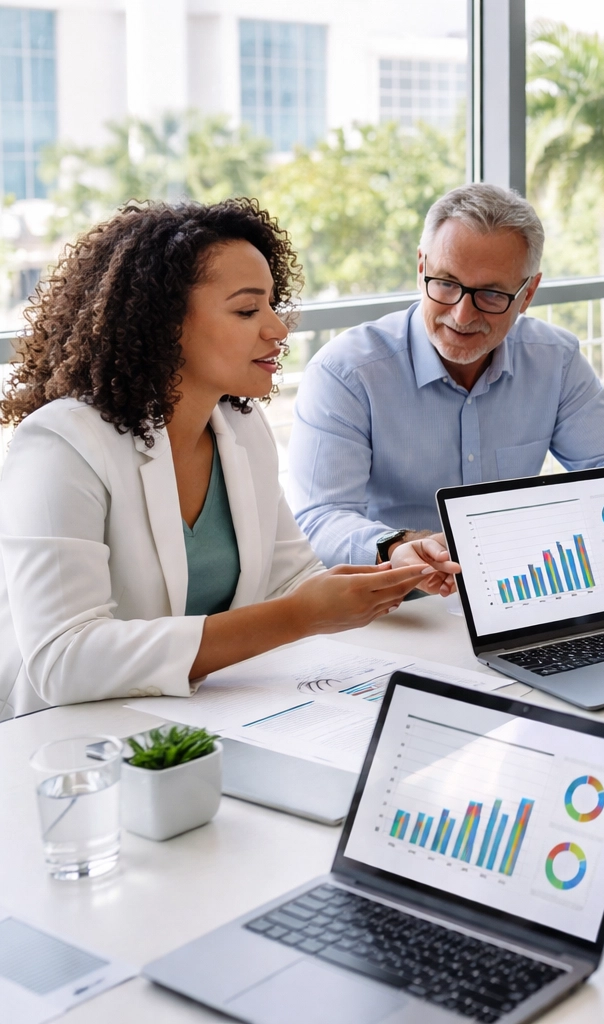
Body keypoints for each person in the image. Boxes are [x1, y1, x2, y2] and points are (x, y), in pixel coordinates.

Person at [0, 200, 437, 721]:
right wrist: (297, 617)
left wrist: (388, 570)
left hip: (205, 717)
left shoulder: (241, 428)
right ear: (163, 323)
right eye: (248, 311)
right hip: (65, 735)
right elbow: (63, 660)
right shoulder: (61, 445)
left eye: (272, 305)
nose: (277, 329)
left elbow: (289, 583)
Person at [287, 182, 604, 577]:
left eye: (491, 294)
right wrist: (397, 546)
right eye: (446, 283)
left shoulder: (555, 360)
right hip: (399, 600)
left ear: (528, 294)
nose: (461, 316)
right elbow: (320, 518)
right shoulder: (345, 373)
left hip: (518, 587)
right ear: (421, 268)